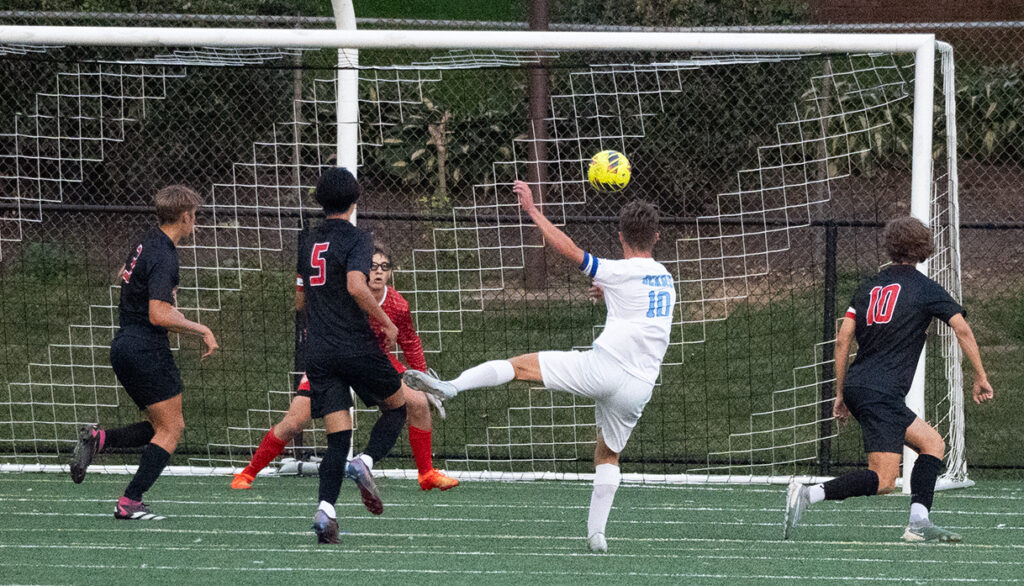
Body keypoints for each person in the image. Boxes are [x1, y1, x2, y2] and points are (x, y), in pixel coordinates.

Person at [404, 180, 675, 553]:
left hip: (604, 367)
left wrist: (532, 211)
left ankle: (452, 386)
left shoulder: (618, 271)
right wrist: (606, 291)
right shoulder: (666, 278)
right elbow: (638, 306)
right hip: (640, 385)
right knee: (608, 455)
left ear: (620, 235)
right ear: (657, 237)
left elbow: (571, 251)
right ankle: (597, 536)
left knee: (519, 367)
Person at [784, 216, 994, 542]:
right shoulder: (926, 289)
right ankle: (807, 493)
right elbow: (961, 328)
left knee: (933, 444)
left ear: (891, 246)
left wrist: (841, 394)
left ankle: (919, 522)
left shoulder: (869, 286)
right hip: (881, 392)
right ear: (925, 249)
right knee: (883, 480)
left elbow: (842, 340)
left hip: (861, 386)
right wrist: (980, 375)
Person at [230, 245, 457, 492]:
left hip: (374, 363)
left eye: (384, 267)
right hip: (334, 360)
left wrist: (422, 376)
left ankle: (426, 473)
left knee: (419, 402)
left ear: (391, 273)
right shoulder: (344, 296)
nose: (378, 273)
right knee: (294, 421)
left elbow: (410, 340)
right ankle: (248, 473)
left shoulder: (398, 304)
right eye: (372, 267)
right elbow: (309, 313)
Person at [69, 185, 219, 521]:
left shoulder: (146, 241)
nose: (195, 221)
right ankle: (130, 500)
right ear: (185, 216)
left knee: (158, 426)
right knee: (172, 428)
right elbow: (158, 314)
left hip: (125, 345)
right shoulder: (165, 254)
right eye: (194, 215)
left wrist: (172, 310)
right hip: (146, 349)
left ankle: (99, 440)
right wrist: (202, 329)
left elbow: (143, 292)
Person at [297, 166, 420, 545]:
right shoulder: (358, 238)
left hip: (317, 350)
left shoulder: (306, 240)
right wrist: (384, 320)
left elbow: (300, 298)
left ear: (319, 201)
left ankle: (325, 512)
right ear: (354, 201)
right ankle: (364, 462)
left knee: (337, 436)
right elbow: (355, 284)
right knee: (398, 407)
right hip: (353, 346)